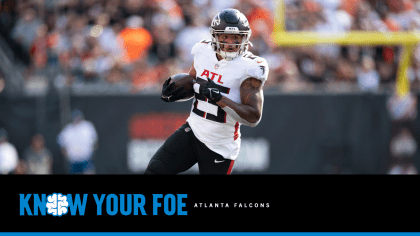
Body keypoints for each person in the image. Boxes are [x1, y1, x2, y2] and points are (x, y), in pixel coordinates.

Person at [145, 9, 269, 175]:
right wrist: (177, 92)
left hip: (220, 145)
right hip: (193, 130)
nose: (230, 42)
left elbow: (253, 117)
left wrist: (219, 97)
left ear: (244, 38)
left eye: (236, 37)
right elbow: (194, 85)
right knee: (155, 170)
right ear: (215, 36)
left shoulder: (250, 67)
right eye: (225, 36)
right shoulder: (203, 51)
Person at [57, 109, 98, 174]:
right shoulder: (68, 129)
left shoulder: (87, 126)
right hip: (73, 161)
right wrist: (66, 154)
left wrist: (92, 151)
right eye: (76, 117)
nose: (77, 119)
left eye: (78, 117)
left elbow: (95, 141)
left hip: (86, 159)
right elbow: (60, 142)